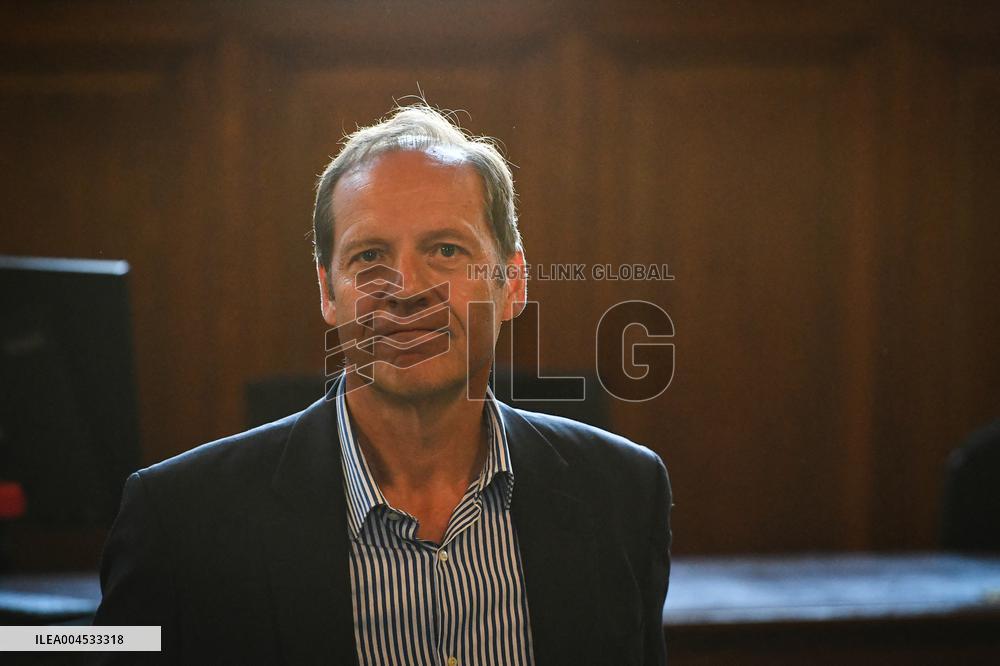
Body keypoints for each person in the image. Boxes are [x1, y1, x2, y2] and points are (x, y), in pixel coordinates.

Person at [93, 104, 673, 665]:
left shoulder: (623, 494)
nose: (405, 289)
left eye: (446, 250)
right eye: (370, 255)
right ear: (327, 292)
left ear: (512, 282)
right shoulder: (179, 524)